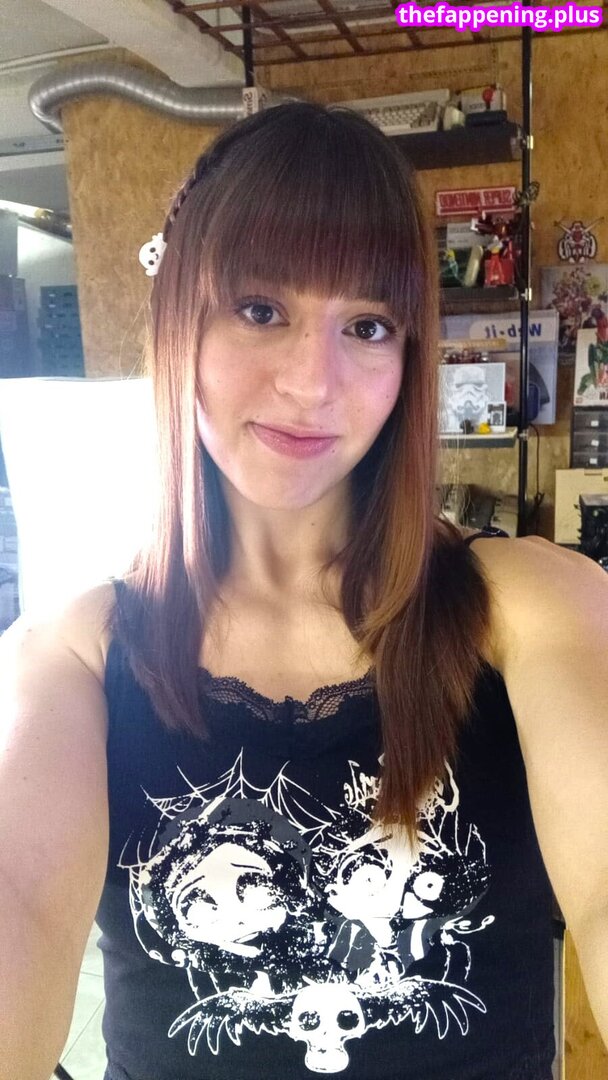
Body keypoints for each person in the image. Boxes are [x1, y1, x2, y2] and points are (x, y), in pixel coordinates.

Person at [1, 101, 607, 1080]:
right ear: (179, 319)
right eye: (260, 310)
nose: (313, 381)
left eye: (365, 325)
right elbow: (18, 905)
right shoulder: (70, 656)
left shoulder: (529, 609)